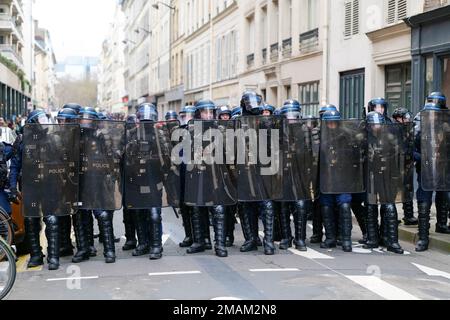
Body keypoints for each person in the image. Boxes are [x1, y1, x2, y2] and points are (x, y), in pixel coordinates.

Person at [14, 109, 63, 270]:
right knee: (30, 220)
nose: (43, 122)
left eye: (44, 118)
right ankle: (36, 255)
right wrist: (11, 186)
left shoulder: (53, 139)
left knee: (52, 219)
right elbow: (15, 164)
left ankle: (53, 256)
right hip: (30, 186)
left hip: (49, 184)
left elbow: (61, 162)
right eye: (40, 120)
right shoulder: (22, 140)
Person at [238, 91, 276, 255]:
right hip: (245, 169)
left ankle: (268, 242)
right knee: (247, 205)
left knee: (266, 204)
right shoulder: (238, 122)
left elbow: (275, 142)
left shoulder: (265, 121)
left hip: (263, 168)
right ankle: (251, 239)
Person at [363, 111, 404, 254]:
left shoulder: (390, 138)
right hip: (371, 177)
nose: (376, 126)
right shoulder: (363, 138)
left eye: (378, 123)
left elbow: (399, 157)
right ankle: (372, 238)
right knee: (370, 206)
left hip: (386, 176)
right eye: (373, 124)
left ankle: (392, 240)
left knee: (389, 206)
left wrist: (396, 176)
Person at [415, 93, 450, 252]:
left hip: (442, 169)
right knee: (424, 203)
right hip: (426, 171)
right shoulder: (419, 129)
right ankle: (423, 238)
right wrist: (422, 157)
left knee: (444, 196)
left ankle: (441, 225)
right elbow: (410, 150)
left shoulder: (446, 127)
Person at [319, 109, 354, 252]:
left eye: (334, 122)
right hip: (326, 177)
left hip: (343, 177)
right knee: (326, 206)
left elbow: (354, 156)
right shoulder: (320, 136)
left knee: (345, 204)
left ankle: (346, 239)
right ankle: (330, 238)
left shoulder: (347, 135)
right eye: (329, 122)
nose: (332, 124)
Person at [278, 100, 309, 251]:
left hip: (299, 173)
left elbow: (311, 151)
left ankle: (300, 238)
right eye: (288, 115)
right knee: (284, 206)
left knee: (300, 205)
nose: (291, 118)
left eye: (293, 115)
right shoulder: (278, 131)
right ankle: (286, 237)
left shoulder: (304, 130)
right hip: (283, 173)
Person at [392, 107, 418, 226]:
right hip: (395, 165)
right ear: (398, 118)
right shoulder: (393, 130)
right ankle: (391, 216)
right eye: (405, 117)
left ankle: (408, 216)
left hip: (406, 165)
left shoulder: (407, 129)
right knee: (392, 193)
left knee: (407, 190)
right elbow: (399, 149)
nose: (408, 119)